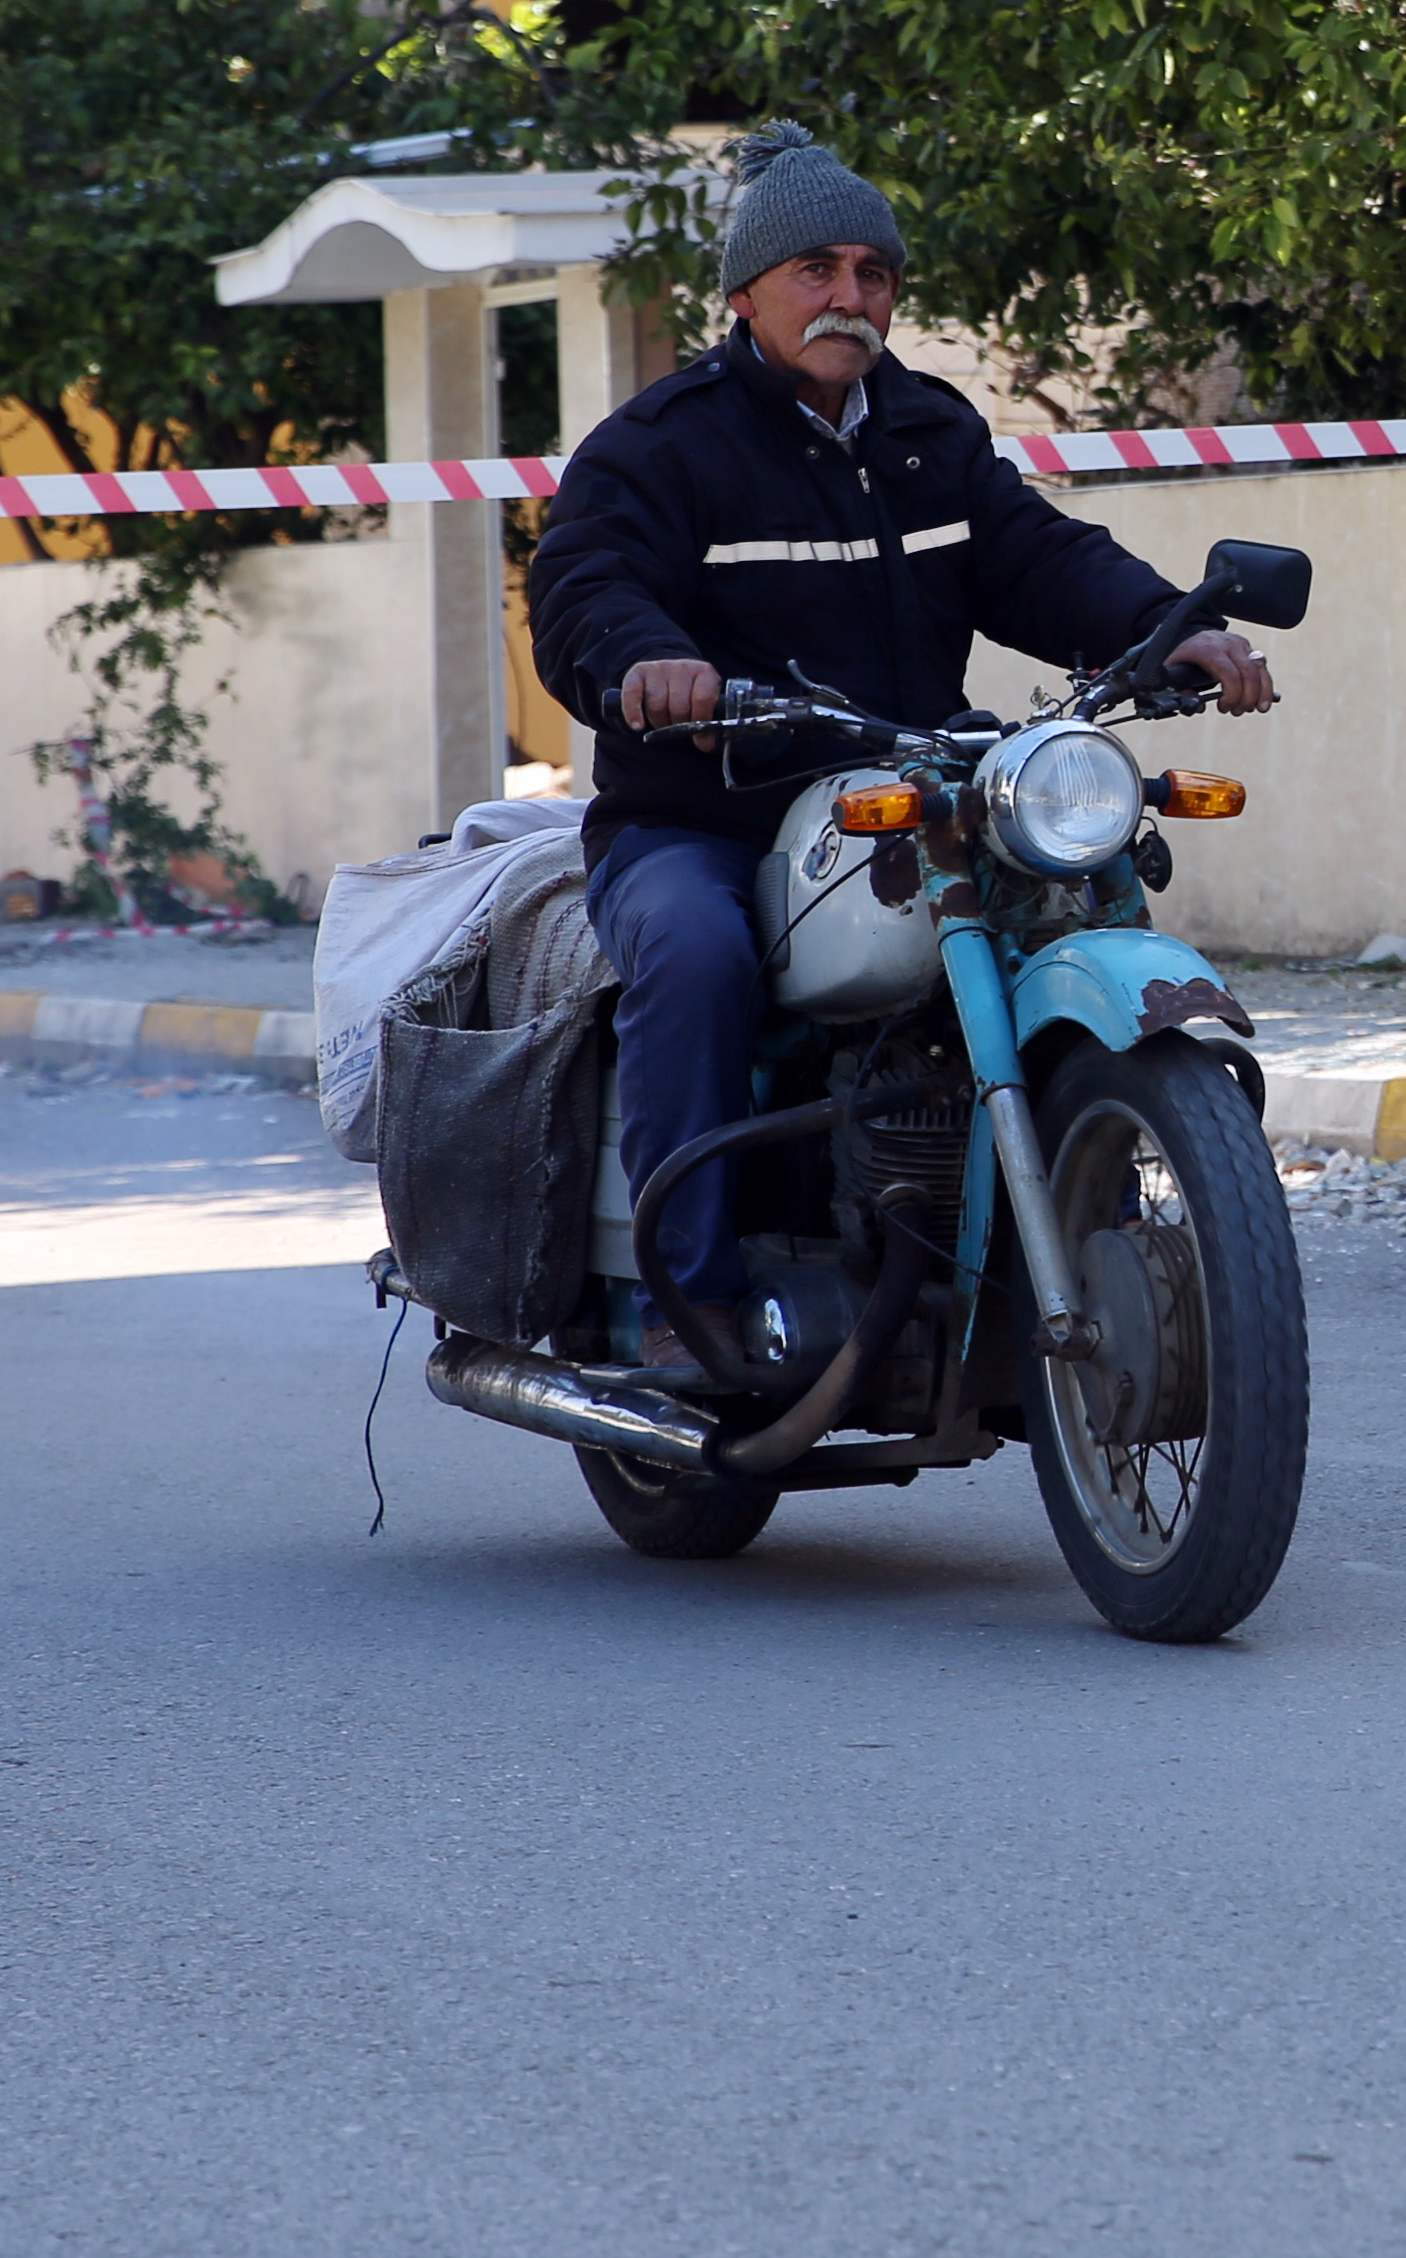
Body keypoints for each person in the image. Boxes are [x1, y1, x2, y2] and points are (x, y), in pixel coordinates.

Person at [526, 123, 1274, 1387]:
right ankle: (687, 1305)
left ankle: (1061, 1220)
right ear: (746, 291)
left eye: (874, 273)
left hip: (907, 792)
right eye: (817, 269)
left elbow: (1037, 557)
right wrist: (647, 663)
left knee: (1076, 898)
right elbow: (586, 588)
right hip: (708, 815)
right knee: (699, 958)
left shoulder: (930, 433)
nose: (850, 297)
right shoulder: (661, 446)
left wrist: (1174, 629)